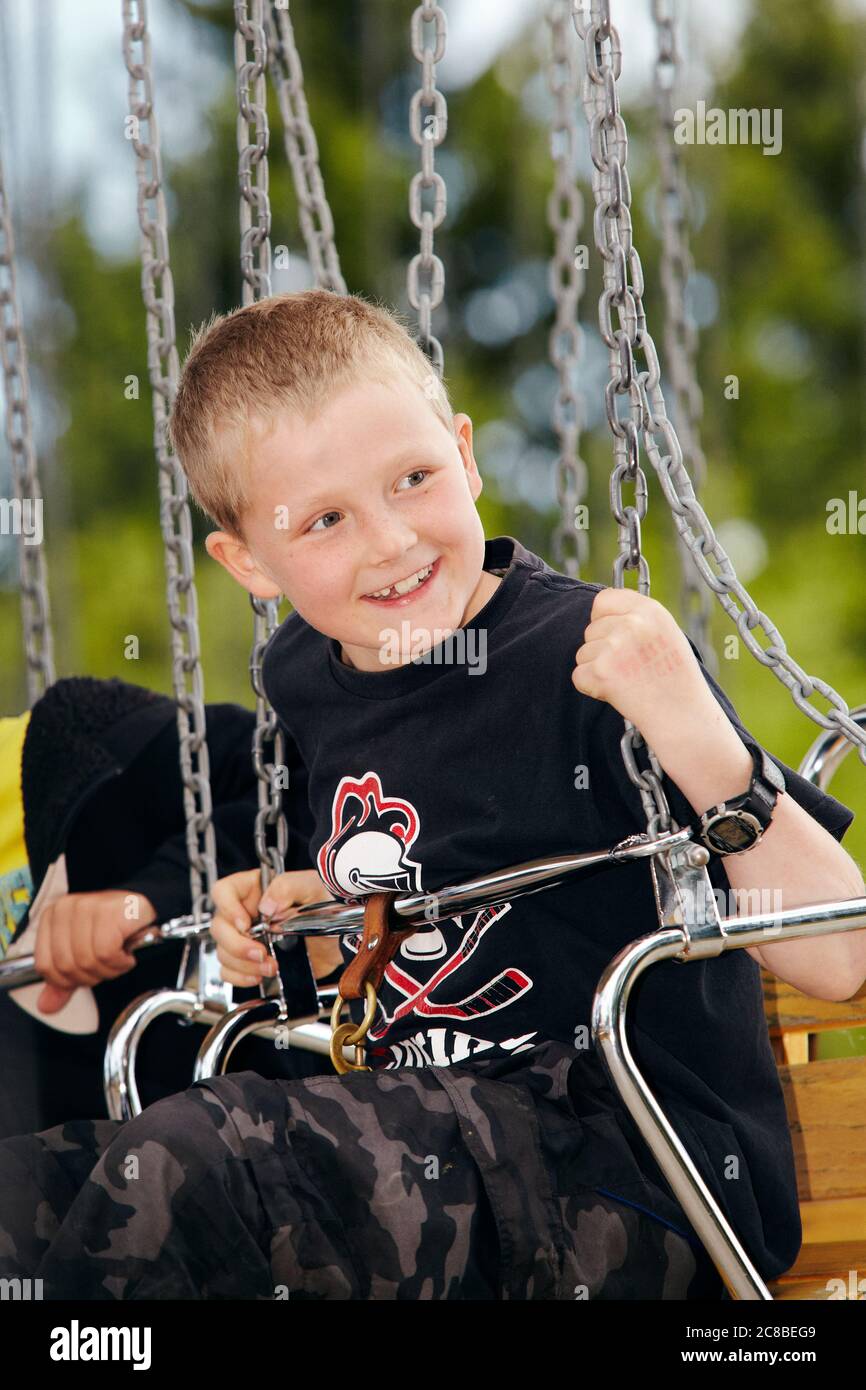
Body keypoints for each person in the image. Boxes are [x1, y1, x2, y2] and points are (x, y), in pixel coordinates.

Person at [0, 288, 862, 1301]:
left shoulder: (585, 658)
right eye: (323, 520)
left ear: (465, 453)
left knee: (191, 1163)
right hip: (427, 1145)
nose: (390, 542)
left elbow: (837, 952)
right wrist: (299, 916)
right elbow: (411, 921)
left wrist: (696, 732)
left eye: (412, 479)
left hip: (630, 1174)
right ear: (249, 563)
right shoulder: (304, 681)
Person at [0, 673, 335, 1139]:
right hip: (73, 1189)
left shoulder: (71, 745)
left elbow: (304, 780)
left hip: (272, 1136)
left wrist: (150, 897)